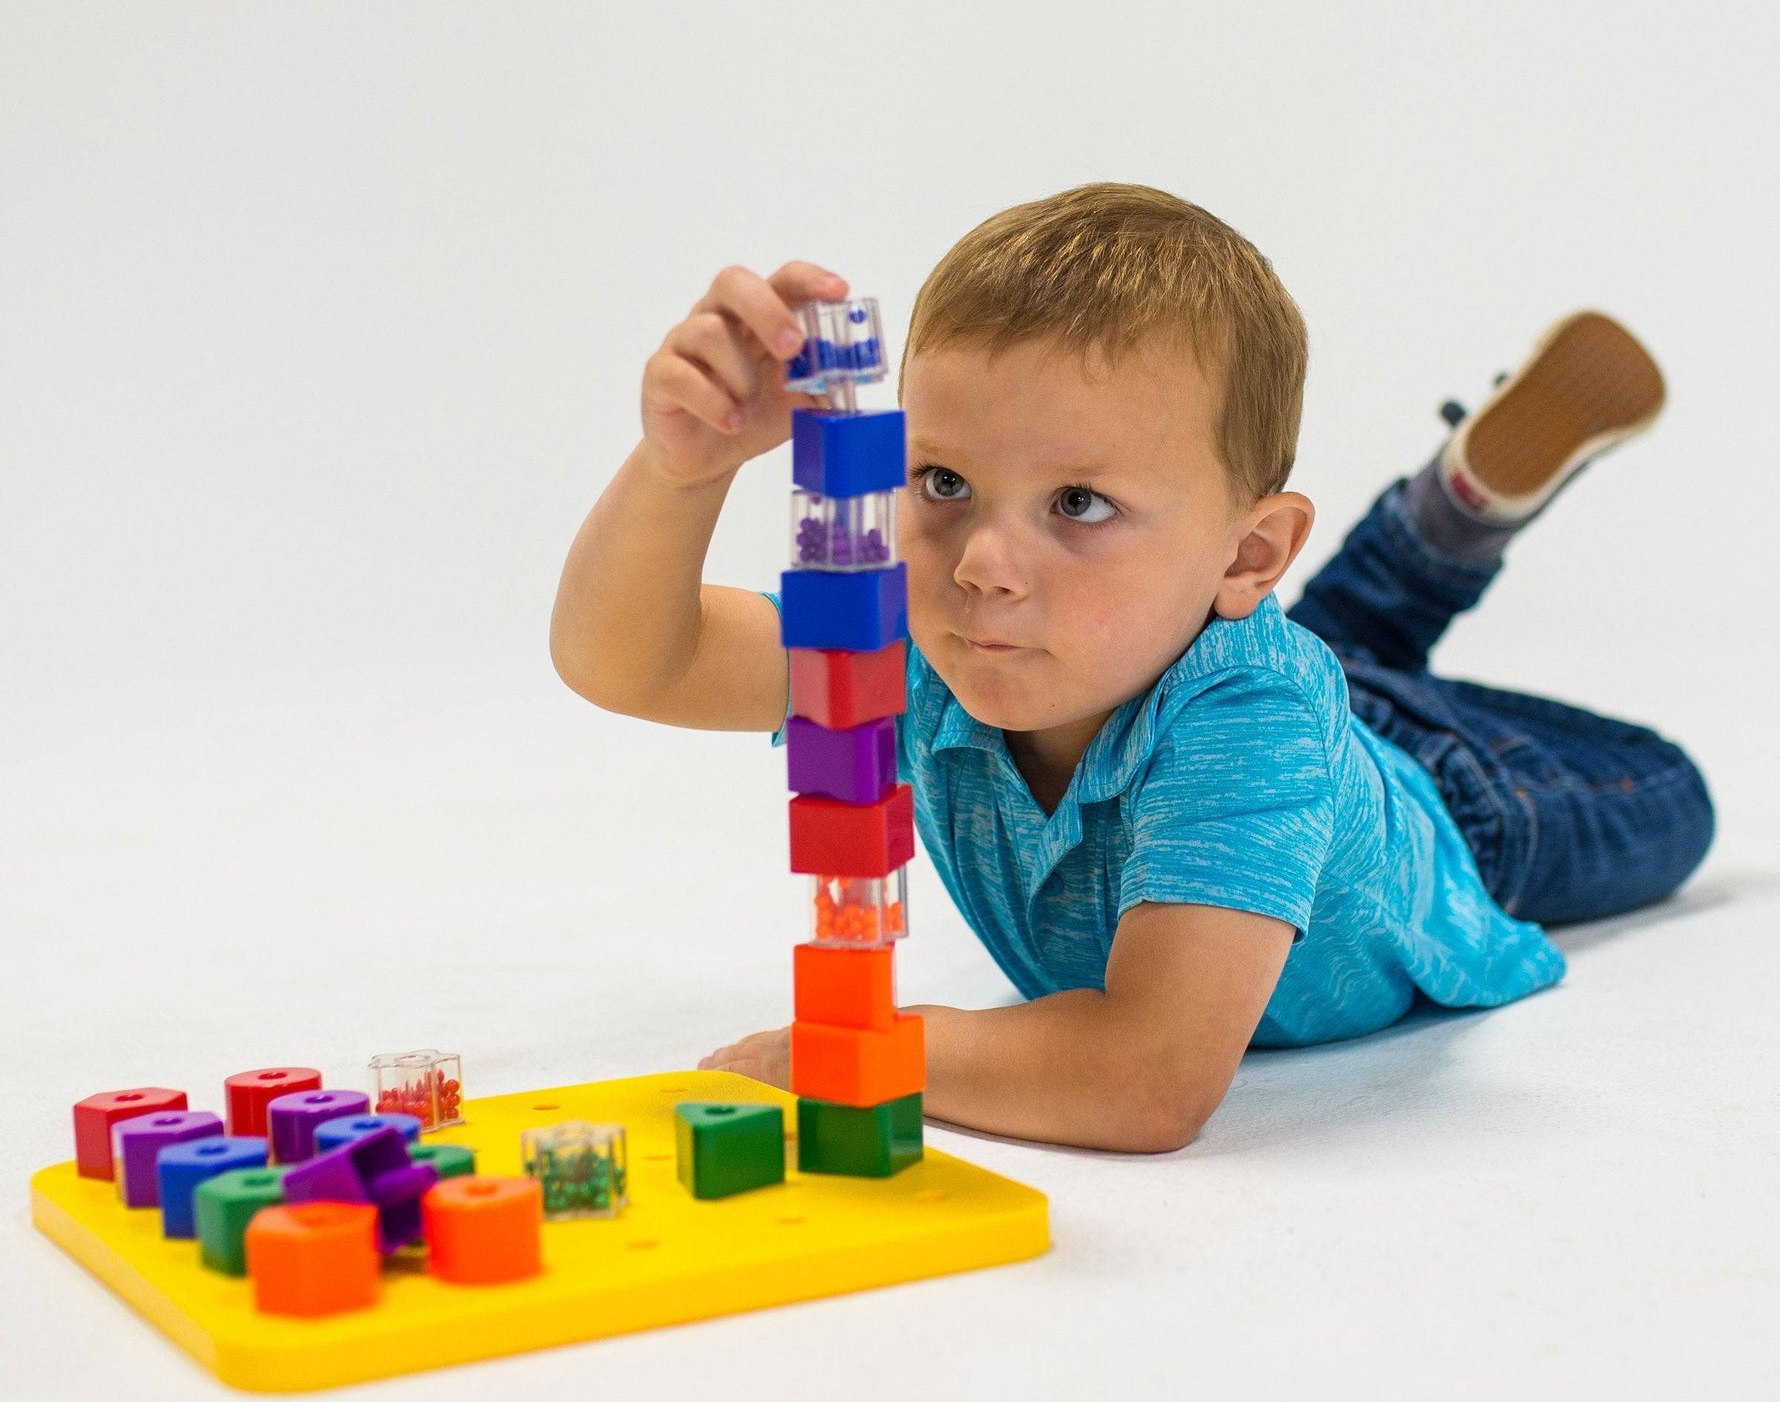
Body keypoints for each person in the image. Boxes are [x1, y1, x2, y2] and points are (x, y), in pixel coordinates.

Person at [549, 184, 1713, 1153]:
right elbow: (630, 661)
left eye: (1079, 503)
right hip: (1236, 659)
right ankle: (1441, 513)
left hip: (1460, 802)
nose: (982, 566)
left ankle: (1447, 522)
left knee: (1670, 800)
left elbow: (1145, 1080)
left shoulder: (1254, 718)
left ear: (1247, 551)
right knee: (1333, 649)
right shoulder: (913, 633)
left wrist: (847, 1048)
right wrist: (682, 469)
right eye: (944, 483)